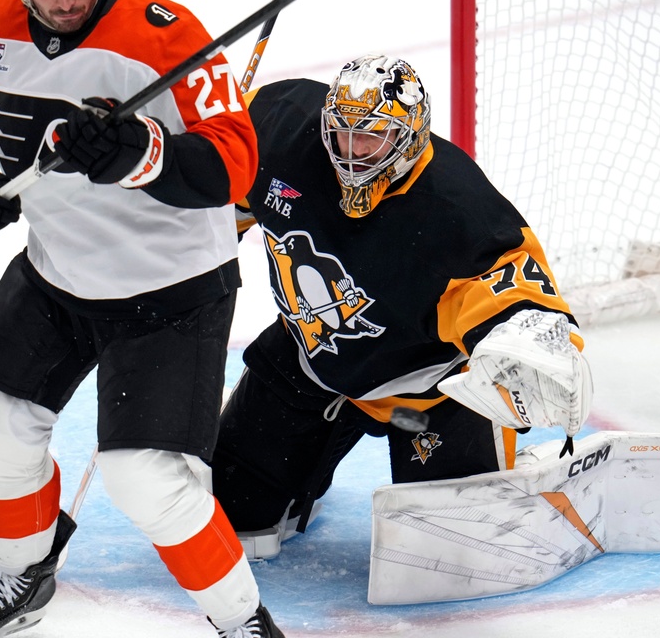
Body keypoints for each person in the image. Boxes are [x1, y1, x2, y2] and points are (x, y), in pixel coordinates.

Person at [0, 0, 284, 638]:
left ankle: (243, 623)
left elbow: (236, 165)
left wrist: (137, 150)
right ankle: (24, 576)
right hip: (56, 273)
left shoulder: (165, 35)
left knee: (146, 478)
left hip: (170, 288)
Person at [210, 54, 592, 561]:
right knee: (227, 518)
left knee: (450, 553)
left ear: (410, 134)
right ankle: (298, 472)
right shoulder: (278, 127)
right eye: (342, 134)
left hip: (425, 395)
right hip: (309, 360)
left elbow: (513, 292)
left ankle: (508, 469)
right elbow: (221, 177)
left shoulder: (456, 207)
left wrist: (528, 343)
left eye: (372, 136)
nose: (353, 153)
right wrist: (204, 194)